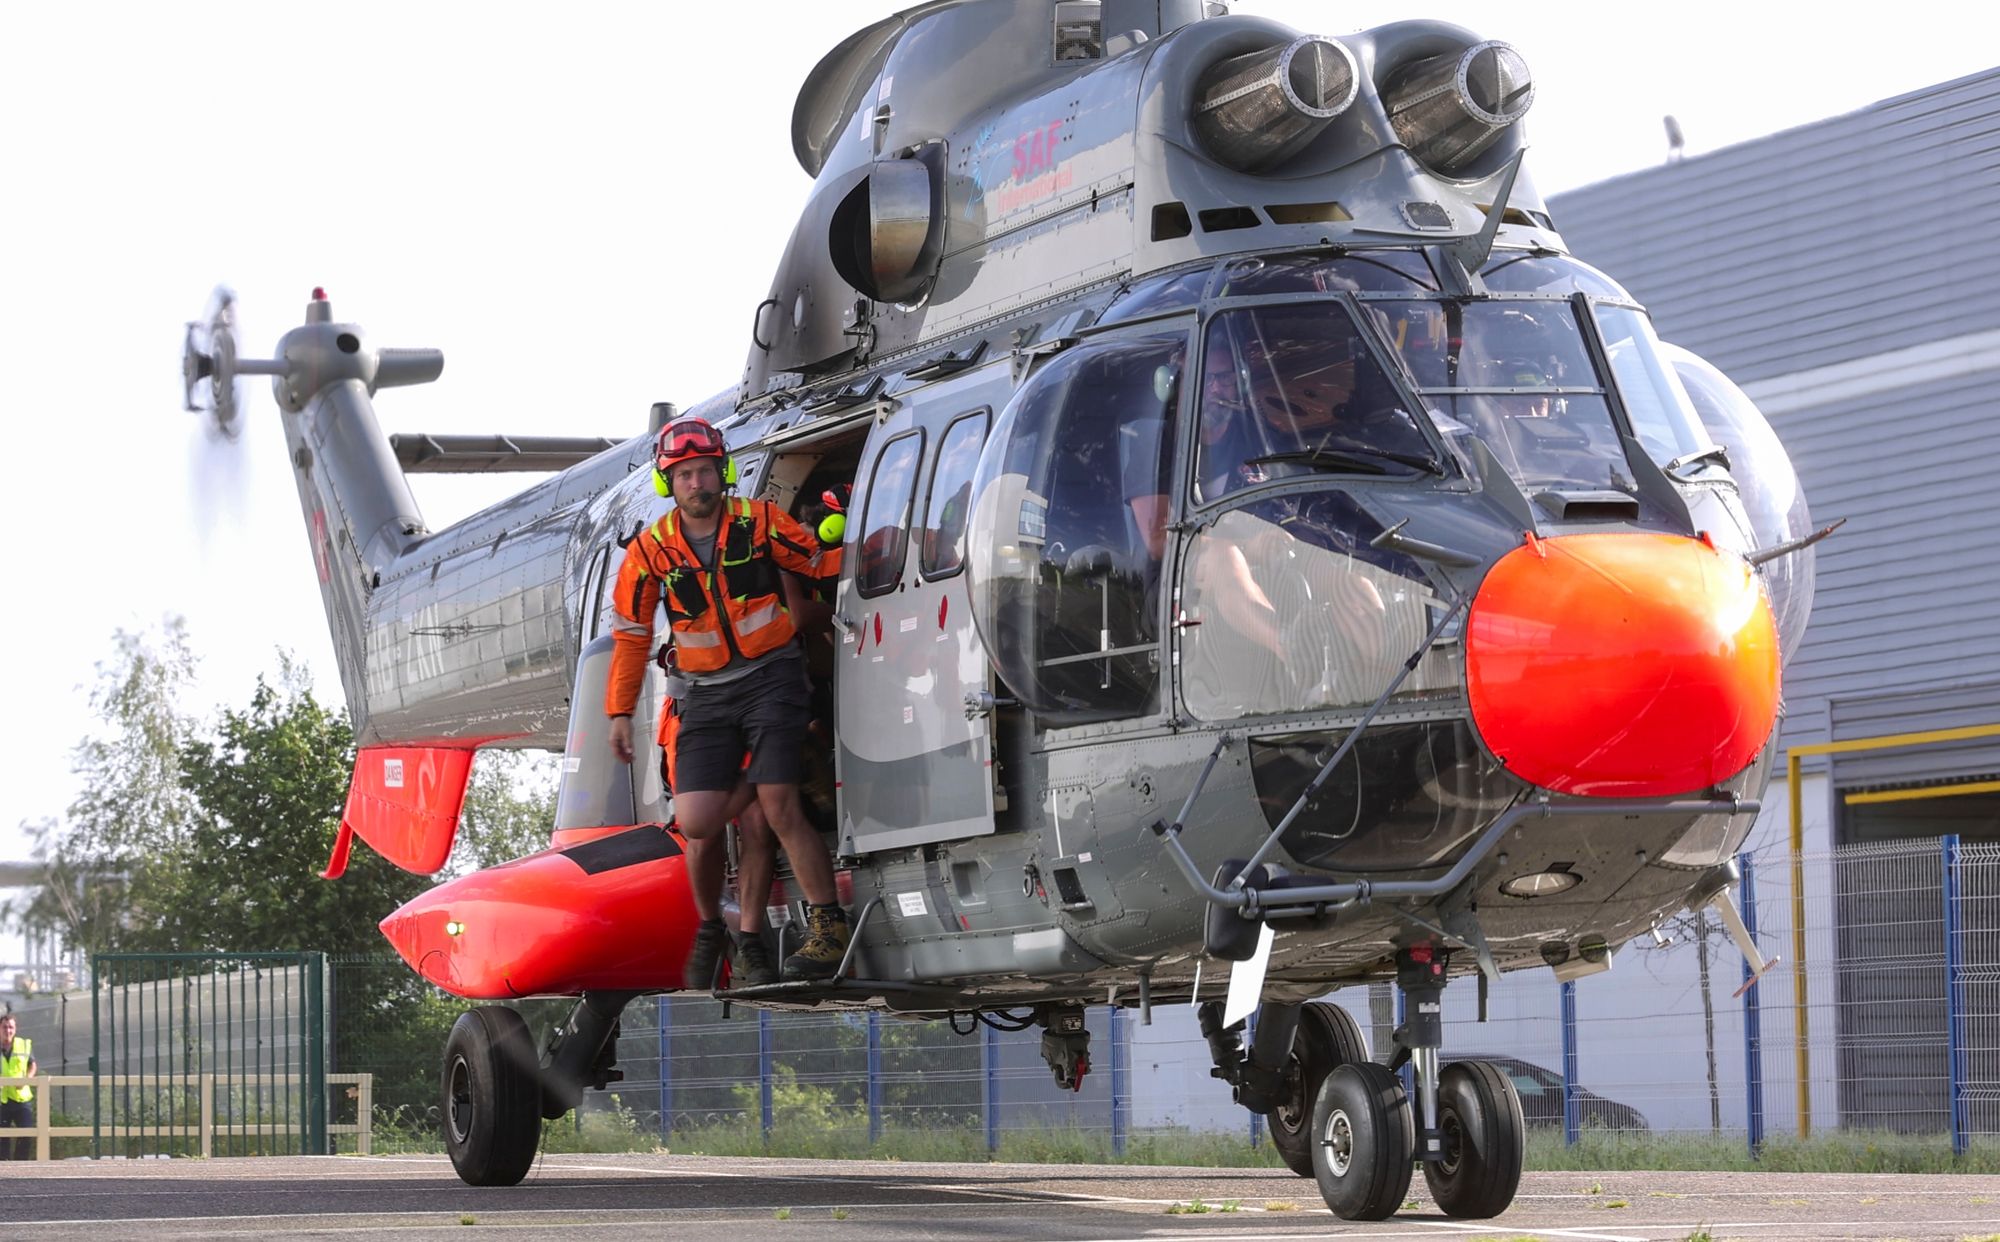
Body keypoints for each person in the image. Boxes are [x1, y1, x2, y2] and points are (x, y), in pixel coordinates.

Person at [606, 416, 849, 985]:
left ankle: (828, 926)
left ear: (723, 472)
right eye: (685, 474)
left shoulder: (760, 522)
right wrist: (618, 712)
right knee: (696, 822)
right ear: (670, 484)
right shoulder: (649, 552)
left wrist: (887, 544)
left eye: (705, 471)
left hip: (772, 678)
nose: (697, 483)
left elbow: (816, 562)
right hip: (705, 697)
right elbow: (631, 635)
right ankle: (716, 920)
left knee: (779, 805)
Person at [0, 1013, 35, 1160]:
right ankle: (3, 1166)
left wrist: (26, 1080)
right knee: (2, 1137)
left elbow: (32, 1065)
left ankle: (21, 1166)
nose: (8, 1030)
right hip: (2, 1099)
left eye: (11, 1027)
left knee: (26, 1133)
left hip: (21, 1098)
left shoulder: (23, 1044)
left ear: (15, 1029)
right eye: (4, 1027)